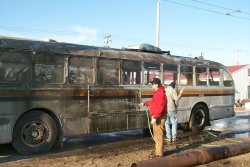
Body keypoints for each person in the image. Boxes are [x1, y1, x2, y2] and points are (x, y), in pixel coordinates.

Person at [140, 78, 167, 158]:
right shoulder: (158, 93)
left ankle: (159, 154)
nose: (151, 85)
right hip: (158, 116)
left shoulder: (160, 93)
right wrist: (145, 103)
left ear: (156, 85)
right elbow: (153, 102)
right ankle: (158, 152)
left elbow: (160, 107)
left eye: (152, 84)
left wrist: (155, 117)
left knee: (158, 135)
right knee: (157, 135)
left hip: (158, 117)